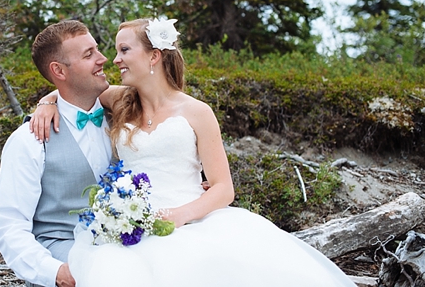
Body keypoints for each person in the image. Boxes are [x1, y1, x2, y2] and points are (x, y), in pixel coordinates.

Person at [30, 18, 356, 287]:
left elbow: (223, 187)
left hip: (189, 219)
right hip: (131, 225)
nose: (114, 60)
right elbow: (70, 89)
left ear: (154, 55)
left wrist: (179, 215)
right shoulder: (117, 99)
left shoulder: (197, 112)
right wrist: (46, 104)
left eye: (124, 50)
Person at [0, 20, 113, 287]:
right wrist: (55, 271)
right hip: (64, 253)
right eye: (88, 54)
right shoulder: (29, 141)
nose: (103, 59)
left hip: (123, 245)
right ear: (58, 70)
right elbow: (9, 225)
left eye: (97, 49)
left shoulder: (124, 120)